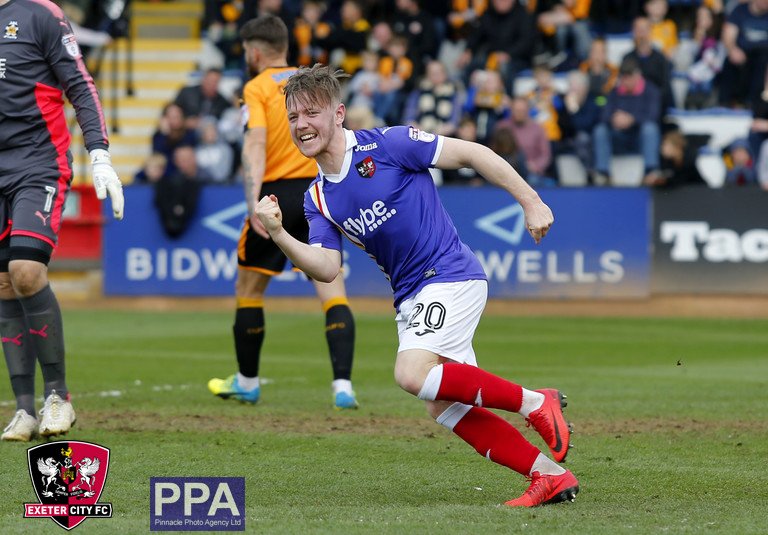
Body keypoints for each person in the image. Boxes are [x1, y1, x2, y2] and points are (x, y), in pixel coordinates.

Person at [255, 63, 579, 507]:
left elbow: (472, 153)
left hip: (450, 274)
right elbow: (327, 268)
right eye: (293, 117)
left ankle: (536, 402)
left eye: (311, 113)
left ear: (338, 114)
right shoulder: (317, 198)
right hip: (410, 297)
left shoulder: (388, 144)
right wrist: (279, 233)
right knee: (443, 404)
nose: (301, 125)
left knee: (411, 374)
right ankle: (549, 476)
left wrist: (532, 200)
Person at [207, 15, 359, 409]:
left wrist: (252, 201)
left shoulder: (256, 88)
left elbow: (254, 143)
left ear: (255, 51)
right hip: (317, 193)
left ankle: (247, 382)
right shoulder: (309, 85)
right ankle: (343, 387)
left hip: (274, 196)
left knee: (249, 289)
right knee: (331, 286)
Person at [0, 0, 124, 442]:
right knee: (2, 283)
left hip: (39, 163)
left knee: (26, 272)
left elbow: (81, 84)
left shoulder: (39, 13)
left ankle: (58, 397)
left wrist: (100, 153)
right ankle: (24, 409)